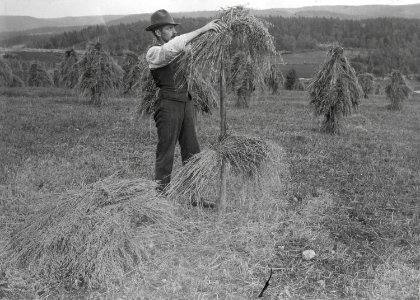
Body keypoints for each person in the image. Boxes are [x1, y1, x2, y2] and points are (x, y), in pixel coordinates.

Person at [145, 9, 221, 204]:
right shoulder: (155, 53)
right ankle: (160, 199)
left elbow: (187, 48)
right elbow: (172, 48)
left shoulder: (181, 48)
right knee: (166, 152)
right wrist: (203, 29)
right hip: (168, 104)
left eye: (172, 28)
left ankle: (194, 196)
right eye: (168, 28)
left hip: (186, 103)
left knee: (192, 151)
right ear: (157, 33)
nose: (172, 31)